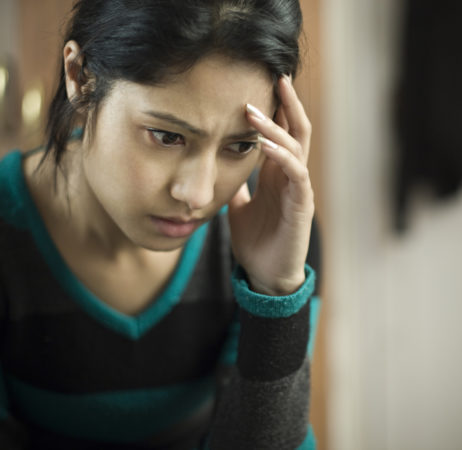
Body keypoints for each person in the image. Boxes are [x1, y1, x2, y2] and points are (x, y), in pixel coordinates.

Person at [0, 0, 321, 448]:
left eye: (241, 146)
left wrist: (274, 297)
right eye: (167, 137)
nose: (199, 195)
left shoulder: (275, 231)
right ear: (79, 76)